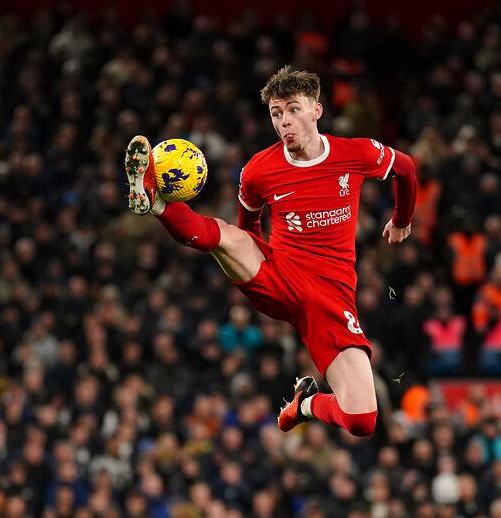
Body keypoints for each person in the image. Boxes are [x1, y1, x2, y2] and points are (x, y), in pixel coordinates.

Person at [123, 66, 416, 436]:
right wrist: (252, 270)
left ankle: (304, 404)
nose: (284, 122)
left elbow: (405, 168)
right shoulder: (258, 171)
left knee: (362, 420)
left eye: (293, 110)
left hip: (330, 295)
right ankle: (157, 202)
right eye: (276, 114)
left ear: (316, 111)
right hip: (279, 274)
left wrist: (402, 219)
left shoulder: (355, 154)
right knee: (228, 237)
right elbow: (249, 229)